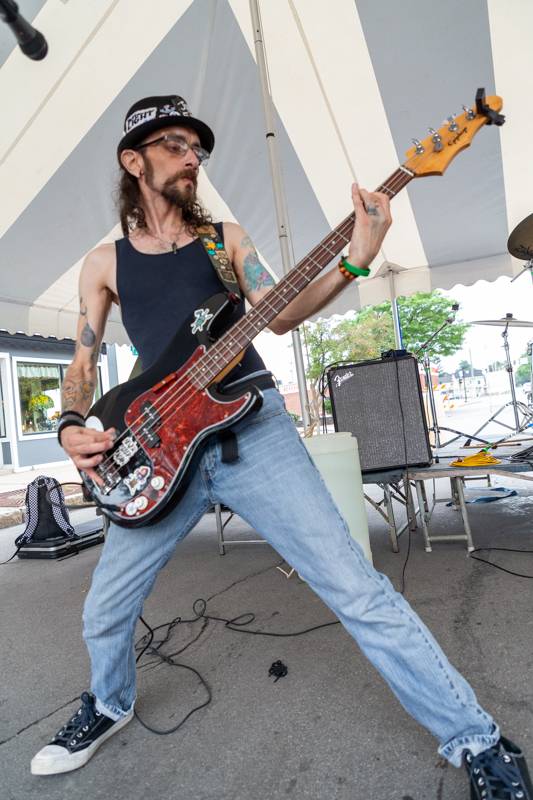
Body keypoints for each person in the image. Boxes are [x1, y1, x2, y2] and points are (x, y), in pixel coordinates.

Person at [31, 95, 532, 799]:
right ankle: (108, 705)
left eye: (196, 147)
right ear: (132, 160)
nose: (190, 156)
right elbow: (83, 362)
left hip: (253, 431)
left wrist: (356, 260)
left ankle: (474, 737)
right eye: (173, 144)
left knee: (355, 587)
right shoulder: (102, 263)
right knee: (103, 608)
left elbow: (281, 310)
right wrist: (70, 422)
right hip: (161, 452)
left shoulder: (223, 240)